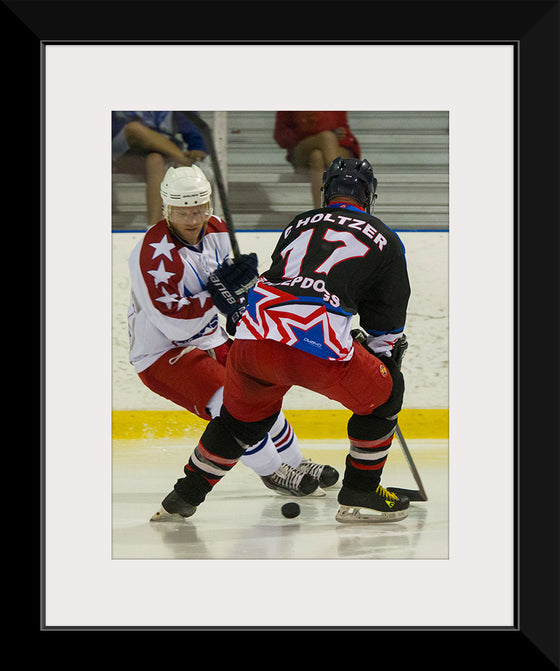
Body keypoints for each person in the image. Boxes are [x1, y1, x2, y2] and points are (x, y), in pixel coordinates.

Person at [151, 157, 412, 525]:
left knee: (238, 422)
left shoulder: (298, 224)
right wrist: (383, 355)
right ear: (369, 196)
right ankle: (361, 490)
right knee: (386, 396)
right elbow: (386, 321)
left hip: (253, 341)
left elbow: (290, 279)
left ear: (326, 192)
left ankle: (182, 496)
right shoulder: (384, 236)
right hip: (317, 349)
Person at [127, 165, 339, 510]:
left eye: (199, 208)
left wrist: (240, 296)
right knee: (230, 404)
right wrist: (216, 297)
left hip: (211, 340)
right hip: (163, 353)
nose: (193, 218)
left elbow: (226, 287)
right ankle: (273, 472)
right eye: (183, 210)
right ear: (167, 208)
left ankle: (295, 460)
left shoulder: (217, 230)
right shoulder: (151, 253)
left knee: (262, 393)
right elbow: (174, 323)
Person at [113, 111, 209, 226]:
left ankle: (153, 227)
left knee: (155, 160)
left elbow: (191, 121)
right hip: (123, 153)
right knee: (134, 128)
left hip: (159, 151)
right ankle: (187, 161)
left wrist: (197, 147)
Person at [274, 111, 361, 209]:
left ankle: (320, 212)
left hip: (333, 147)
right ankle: (344, 199)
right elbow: (280, 136)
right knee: (327, 137)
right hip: (303, 148)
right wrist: (307, 131)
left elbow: (344, 130)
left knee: (317, 157)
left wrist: (340, 134)